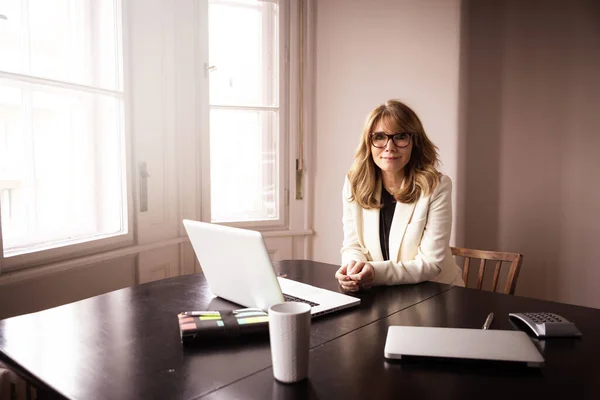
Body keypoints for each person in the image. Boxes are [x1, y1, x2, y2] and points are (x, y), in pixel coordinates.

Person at [335, 100, 464, 292]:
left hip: (437, 293)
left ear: (415, 142)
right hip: (386, 293)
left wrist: (373, 272)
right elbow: (353, 244)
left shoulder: (437, 186)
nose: (389, 147)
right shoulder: (354, 182)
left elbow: (431, 264)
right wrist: (352, 269)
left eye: (401, 137)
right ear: (368, 142)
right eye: (379, 137)